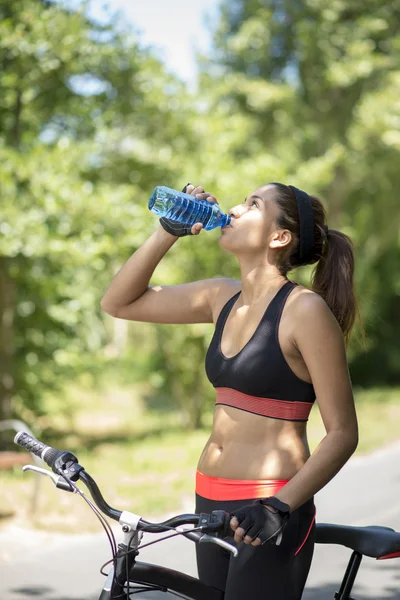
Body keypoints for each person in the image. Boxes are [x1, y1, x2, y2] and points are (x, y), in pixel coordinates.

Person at [100, 182, 360, 600]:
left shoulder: (305, 311)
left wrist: (279, 507)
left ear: (279, 237)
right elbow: (118, 303)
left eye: (253, 205)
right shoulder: (221, 297)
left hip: (269, 505)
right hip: (209, 497)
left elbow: (344, 433)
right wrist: (166, 231)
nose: (235, 210)